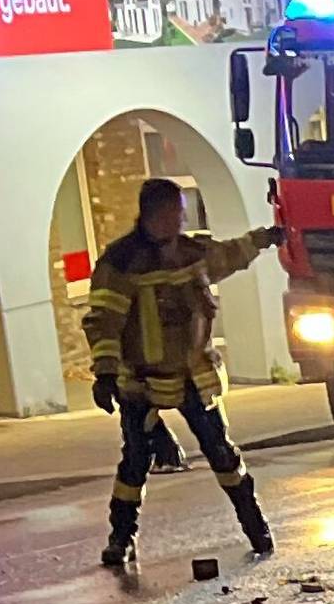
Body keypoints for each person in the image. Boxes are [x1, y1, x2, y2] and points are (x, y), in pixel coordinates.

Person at [82, 179, 285, 568]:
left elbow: (230, 254)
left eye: (180, 212)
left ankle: (255, 527)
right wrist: (105, 372)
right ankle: (120, 538)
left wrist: (265, 238)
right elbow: (104, 320)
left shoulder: (192, 252)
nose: (178, 219)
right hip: (142, 380)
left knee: (222, 454)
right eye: (171, 212)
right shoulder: (121, 263)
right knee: (135, 463)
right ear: (151, 214)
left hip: (194, 374)